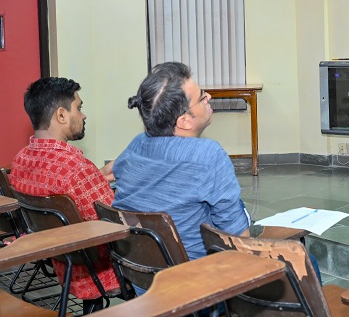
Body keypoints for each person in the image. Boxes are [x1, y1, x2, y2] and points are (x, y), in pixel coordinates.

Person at [112, 62, 251, 265]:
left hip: (143, 274)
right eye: (202, 97)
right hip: (197, 275)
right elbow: (238, 238)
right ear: (185, 121)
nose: (208, 97)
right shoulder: (208, 155)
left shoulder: (136, 145)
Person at [10, 77, 119, 313]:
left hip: (59, 259)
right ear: (61, 115)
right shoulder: (76, 167)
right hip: (98, 269)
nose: (83, 115)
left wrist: (98, 176)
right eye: (78, 108)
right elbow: (115, 221)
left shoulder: (20, 160)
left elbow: (62, 189)